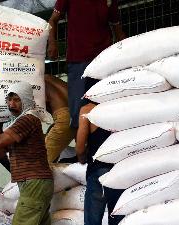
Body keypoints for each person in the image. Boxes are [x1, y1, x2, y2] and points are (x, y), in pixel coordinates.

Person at [0, 81, 53, 225]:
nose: (11, 104)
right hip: (33, 183)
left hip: (34, 183)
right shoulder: (14, 123)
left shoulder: (28, 119)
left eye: (17, 99)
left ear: (26, 100)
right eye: (9, 99)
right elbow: (0, 151)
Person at [47, 0, 126, 129]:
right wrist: (52, 43)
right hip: (78, 61)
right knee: (78, 111)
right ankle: (82, 146)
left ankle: (103, 144)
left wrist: (129, 53)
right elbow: (52, 20)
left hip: (104, 61)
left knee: (105, 107)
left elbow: (117, 28)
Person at [76, 78, 124, 225]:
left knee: (92, 221)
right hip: (120, 171)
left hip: (97, 170)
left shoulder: (87, 110)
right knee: (117, 219)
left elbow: (80, 145)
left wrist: (82, 158)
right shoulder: (123, 107)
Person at [44, 74, 76, 163]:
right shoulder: (49, 77)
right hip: (79, 111)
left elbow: (43, 100)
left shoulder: (34, 83)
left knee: (40, 165)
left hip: (64, 116)